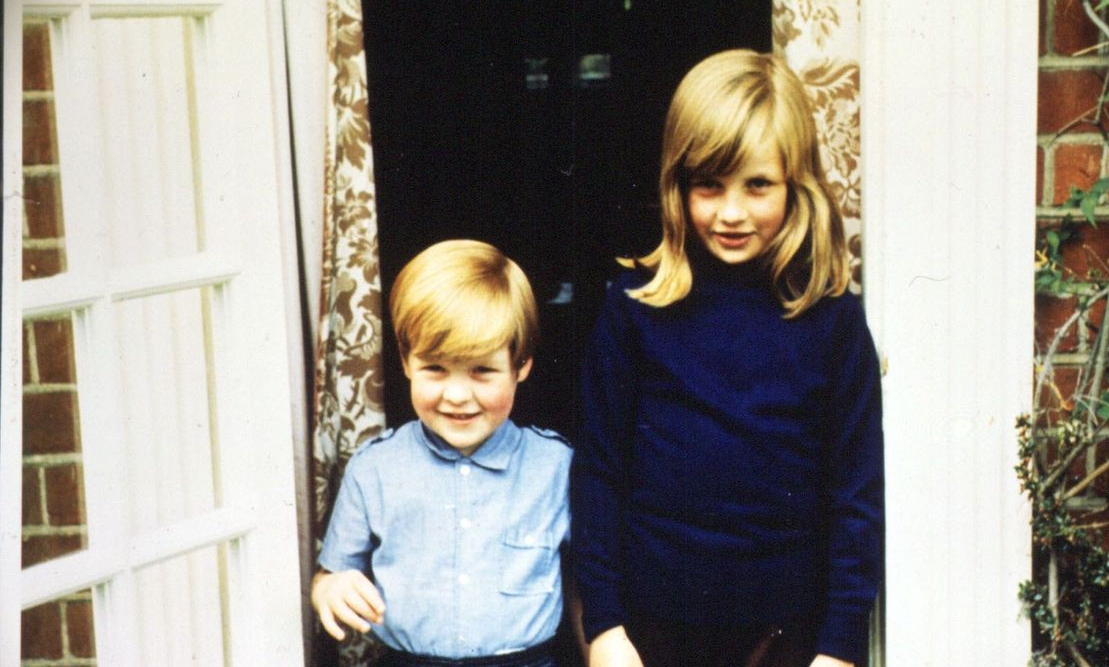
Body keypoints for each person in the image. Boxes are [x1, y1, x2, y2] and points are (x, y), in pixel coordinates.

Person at [572, 49, 884, 667]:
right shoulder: (633, 308)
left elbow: (856, 496)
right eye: (708, 185)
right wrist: (604, 626)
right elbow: (598, 475)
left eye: (758, 185)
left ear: (797, 184)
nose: (732, 212)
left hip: (785, 633)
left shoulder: (832, 321)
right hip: (653, 629)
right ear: (676, 184)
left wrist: (840, 647)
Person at [314, 239, 573, 667]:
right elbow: (333, 572)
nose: (456, 395)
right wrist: (329, 589)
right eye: (435, 368)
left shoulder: (556, 467)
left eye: (482, 371)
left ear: (521, 365)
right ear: (405, 362)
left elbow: (592, 588)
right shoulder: (374, 468)